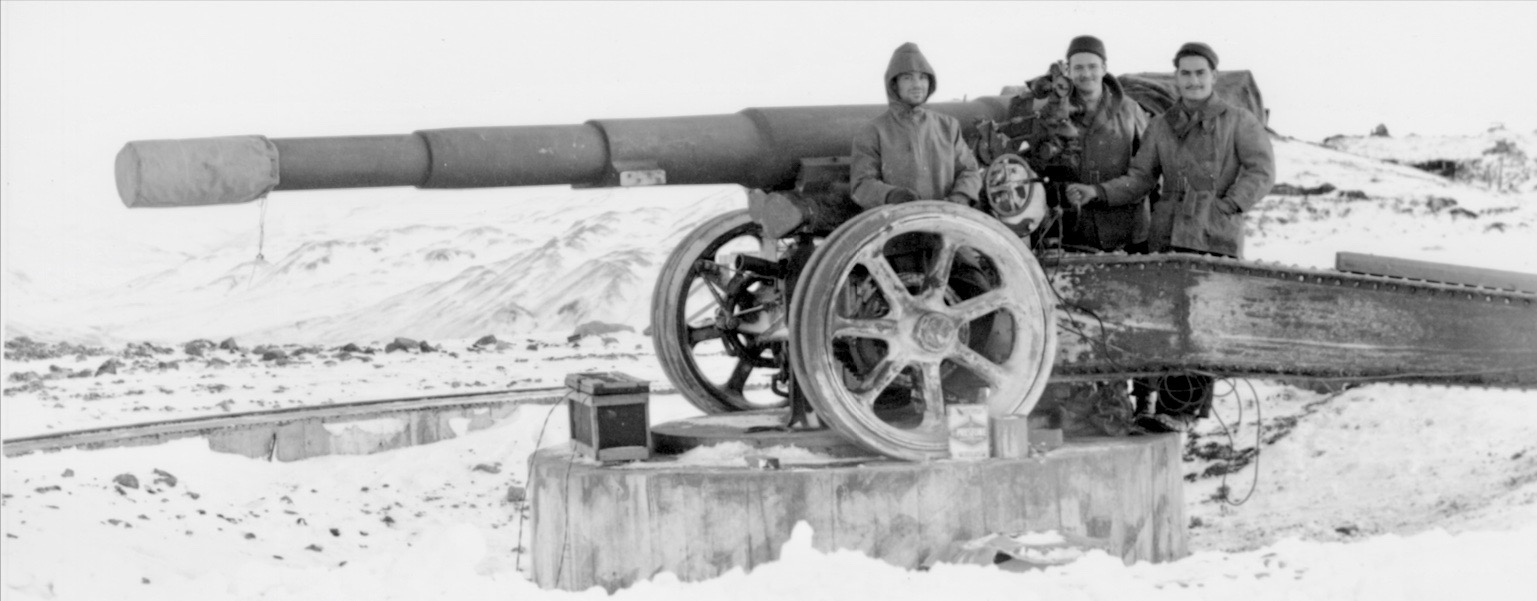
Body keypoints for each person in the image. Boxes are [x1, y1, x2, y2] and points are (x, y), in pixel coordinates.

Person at [1065, 42, 1276, 432]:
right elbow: (1141, 178)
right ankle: (1162, 407)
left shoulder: (1238, 120)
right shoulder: (1163, 125)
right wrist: (1099, 192)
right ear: (1176, 78)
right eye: (1185, 73)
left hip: (1213, 233)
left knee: (1200, 321)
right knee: (1165, 319)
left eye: (1200, 73)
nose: (1193, 81)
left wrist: (1229, 205)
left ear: (1213, 76)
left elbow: (1261, 171)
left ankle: (1181, 410)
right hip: (1168, 231)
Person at [851, 42, 981, 209]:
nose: (917, 85)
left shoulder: (948, 127)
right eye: (908, 78)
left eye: (923, 77)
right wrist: (891, 195)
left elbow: (969, 170)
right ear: (894, 84)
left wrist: (961, 195)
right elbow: (861, 185)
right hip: (896, 223)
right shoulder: (873, 132)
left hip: (945, 220)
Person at [1053, 35, 1153, 253]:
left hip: (1127, 233)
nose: (1086, 73)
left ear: (1104, 68)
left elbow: (1147, 174)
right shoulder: (1054, 113)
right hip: (1075, 234)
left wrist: (1099, 191)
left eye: (1092, 66)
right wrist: (1064, 191)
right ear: (1068, 71)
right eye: (1078, 68)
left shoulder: (1130, 111)